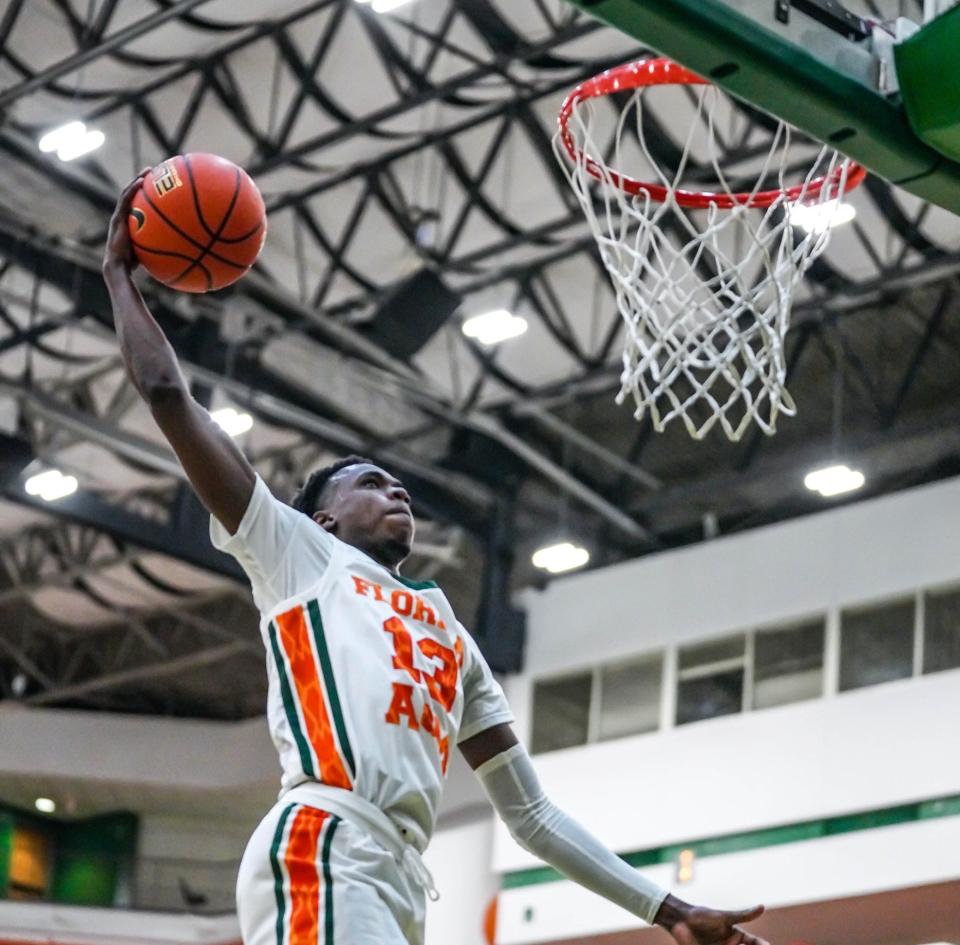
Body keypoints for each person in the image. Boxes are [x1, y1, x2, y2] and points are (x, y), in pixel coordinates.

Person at [102, 172, 771, 945]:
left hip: (399, 876)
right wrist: (121, 278)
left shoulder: (448, 632)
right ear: (321, 516)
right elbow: (166, 394)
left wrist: (668, 907)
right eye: (369, 482)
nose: (396, 491)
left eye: (399, 485)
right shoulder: (299, 554)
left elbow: (533, 815)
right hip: (326, 843)